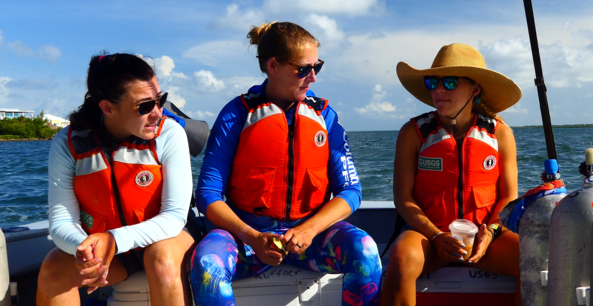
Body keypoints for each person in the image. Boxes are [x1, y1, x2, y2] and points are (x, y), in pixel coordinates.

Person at [190, 21, 382, 306]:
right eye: (304, 69)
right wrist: (253, 237)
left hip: (311, 239)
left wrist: (309, 229)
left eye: (318, 67)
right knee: (207, 267)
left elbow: (351, 191)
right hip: (247, 240)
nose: (313, 77)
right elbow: (207, 195)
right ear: (272, 66)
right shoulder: (236, 115)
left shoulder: (325, 117)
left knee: (366, 251)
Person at [37, 53, 195, 306]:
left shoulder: (170, 134)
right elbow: (61, 220)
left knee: (161, 258)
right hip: (113, 253)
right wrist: (87, 250)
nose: (157, 113)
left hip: (166, 238)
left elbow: (175, 216)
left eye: (160, 100)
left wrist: (113, 239)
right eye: (144, 106)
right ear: (108, 108)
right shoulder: (70, 144)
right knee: (53, 270)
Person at [381, 43, 522, 306]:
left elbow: (509, 197)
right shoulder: (413, 133)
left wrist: (490, 233)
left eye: (450, 82)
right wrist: (436, 235)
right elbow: (403, 198)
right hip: (429, 237)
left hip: (485, 238)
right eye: (433, 82)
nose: (438, 90)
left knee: (535, 260)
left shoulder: (500, 134)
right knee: (401, 259)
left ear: (474, 88)